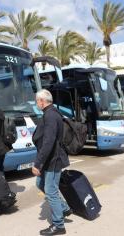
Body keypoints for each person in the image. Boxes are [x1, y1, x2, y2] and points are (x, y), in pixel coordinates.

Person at [32, 89, 72, 236]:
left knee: (51, 191)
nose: (36, 103)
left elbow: (48, 142)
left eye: (37, 101)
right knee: (40, 184)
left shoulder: (50, 115)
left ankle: (58, 225)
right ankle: (64, 208)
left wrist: (38, 163)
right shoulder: (52, 112)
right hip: (50, 158)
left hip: (53, 159)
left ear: (42, 101)